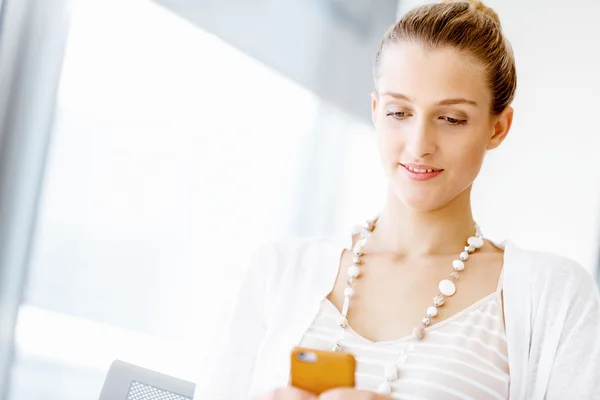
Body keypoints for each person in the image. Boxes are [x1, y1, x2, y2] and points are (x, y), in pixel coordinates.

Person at [194, 0, 600, 399]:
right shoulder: (277, 273)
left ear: (498, 128)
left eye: (451, 119)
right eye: (398, 113)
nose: (419, 145)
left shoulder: (554, 297)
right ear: (374, 111)